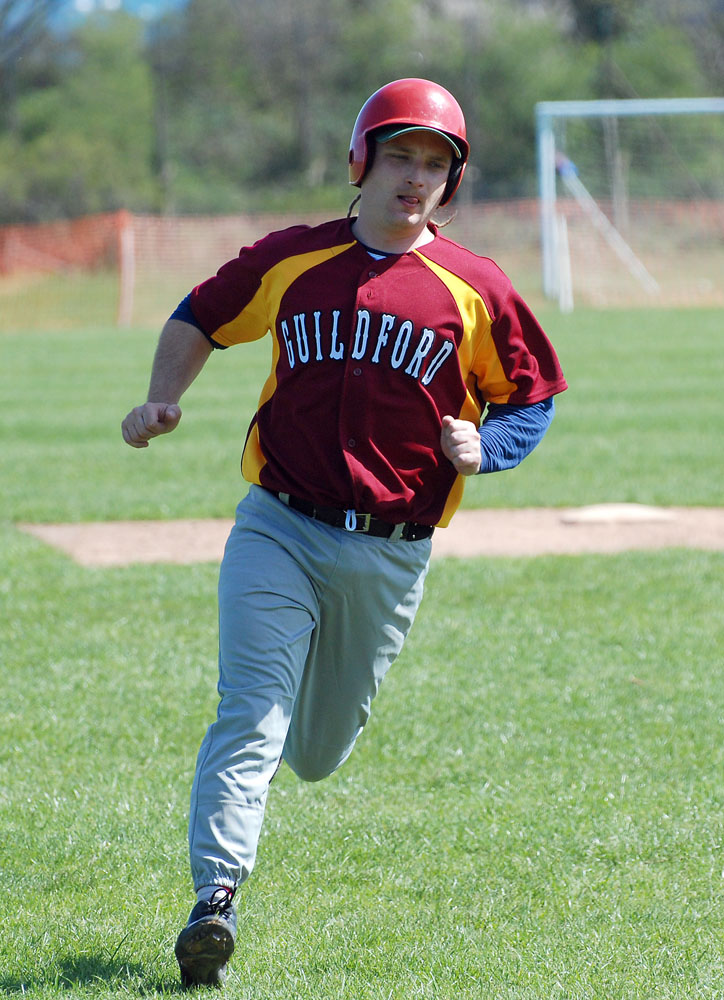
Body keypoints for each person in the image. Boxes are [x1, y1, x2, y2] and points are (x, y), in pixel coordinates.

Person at [121, 78, 567, 989]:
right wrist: (163, 397)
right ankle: (215, 900)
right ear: (362, 159)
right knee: (250, 711)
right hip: (278, 526)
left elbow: (532, 395)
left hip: (389, 552)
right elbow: (201, 314)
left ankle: (283, 754)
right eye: (401, 155)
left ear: (452, 181)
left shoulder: (476, 286)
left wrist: (487, 448)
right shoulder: (294, 258)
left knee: (316, 753)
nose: (416, 177)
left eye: (436, 163)